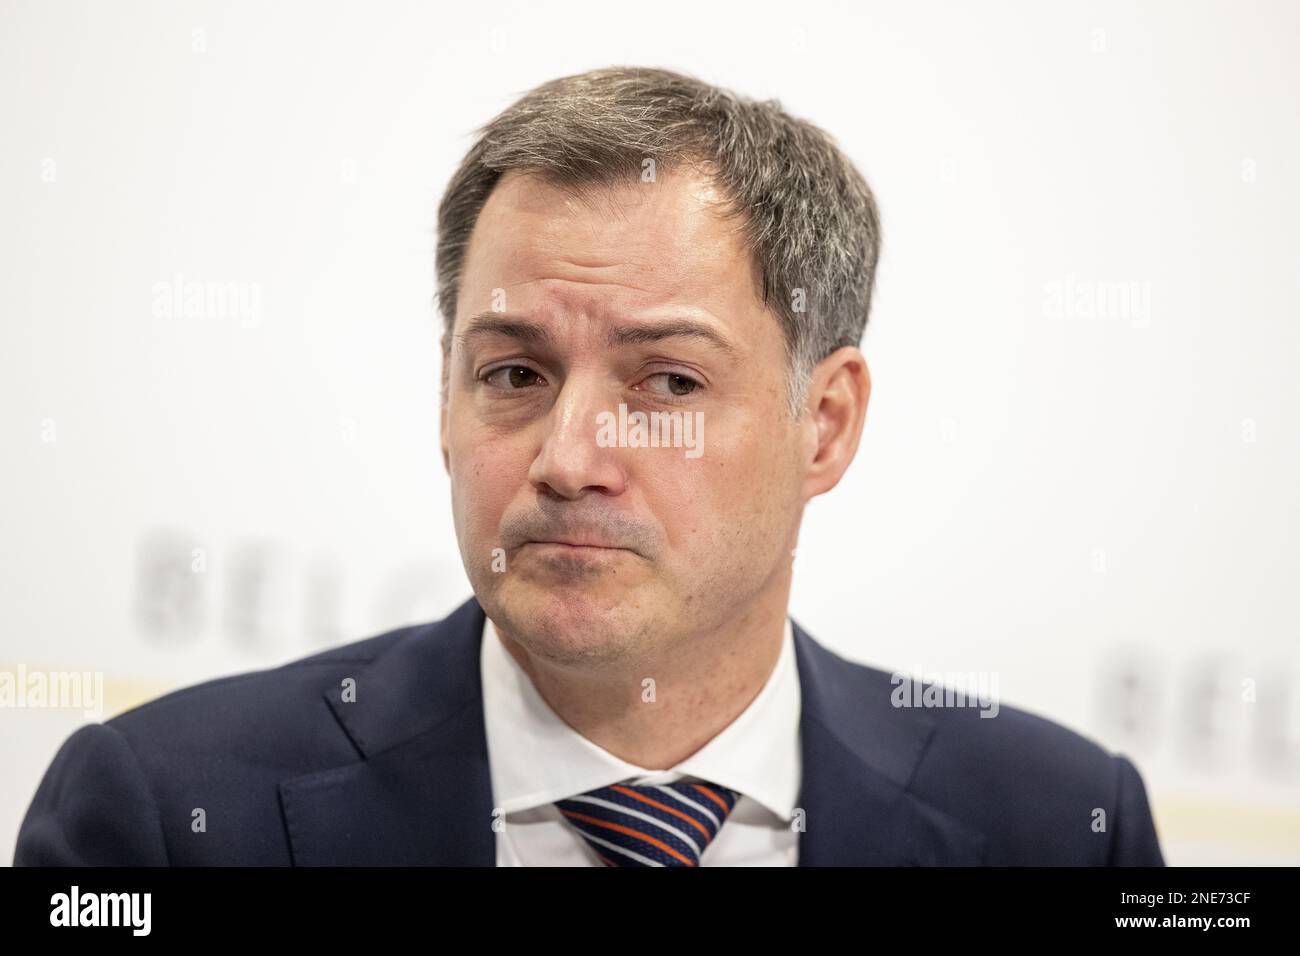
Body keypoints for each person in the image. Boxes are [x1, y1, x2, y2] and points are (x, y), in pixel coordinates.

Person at [14, 66, 1164, 866]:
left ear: (824, 422)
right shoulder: (169, 811)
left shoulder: (1059, 823)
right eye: (513, 374)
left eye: (666, 382)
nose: (569, 460)